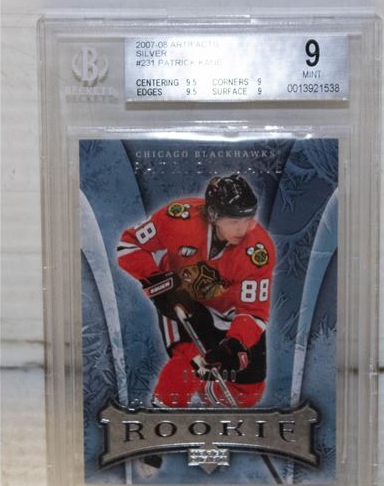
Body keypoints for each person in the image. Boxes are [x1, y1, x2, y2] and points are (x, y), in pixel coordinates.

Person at [117, 174, 275, 410]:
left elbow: (254, 311)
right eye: (234, 220)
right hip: (184, 299)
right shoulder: (178, 218)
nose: (243, 228)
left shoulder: (257, 252)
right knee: (191, 361)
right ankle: (164, 414)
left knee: (248, 394)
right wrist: (159, 283)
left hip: (231, 312)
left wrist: (234, 345)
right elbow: (129, 245)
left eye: (248, 219)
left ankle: (209, 402)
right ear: (213, 215)